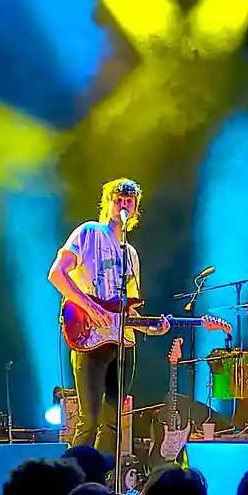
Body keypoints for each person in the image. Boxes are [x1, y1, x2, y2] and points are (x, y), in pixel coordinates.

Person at [48, 178, 170, 454]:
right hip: (89, 336)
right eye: (119, 199)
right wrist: (91, 307)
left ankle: (103, 483)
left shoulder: (131, 253)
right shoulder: (89, 233)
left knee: (114, 421)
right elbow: (57, 273)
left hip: (123, 342)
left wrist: (152, 328)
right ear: (108, 203)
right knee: (88, 419)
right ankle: (75, 477)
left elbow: (127, 308)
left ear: (136, 208)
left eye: (130, 200)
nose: (124, 204)